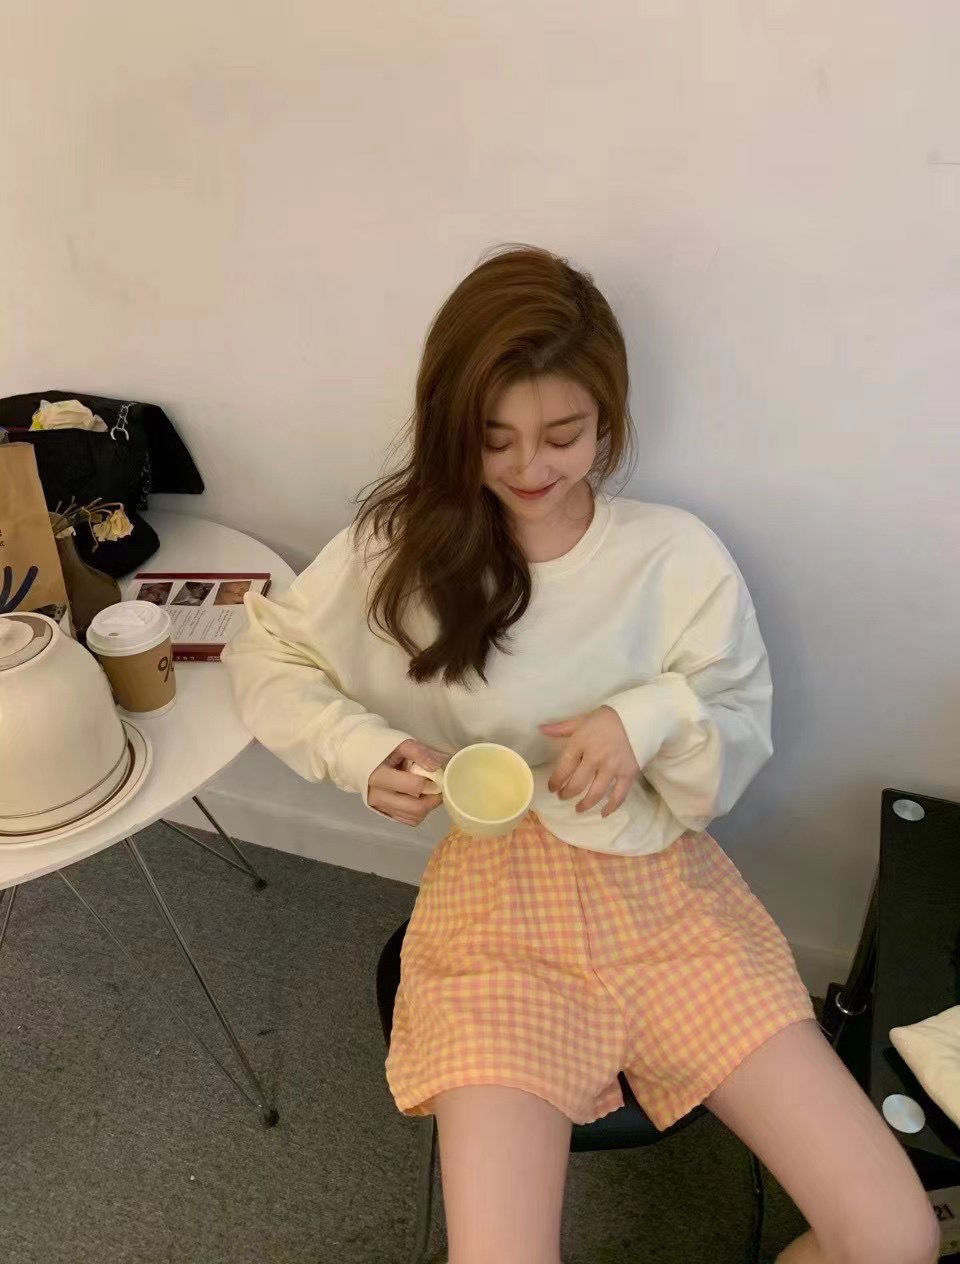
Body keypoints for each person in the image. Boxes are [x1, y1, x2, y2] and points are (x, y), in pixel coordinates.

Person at [223, 247, 938, 1264]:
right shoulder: (403, 547)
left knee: (896, 1236)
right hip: (495, 907)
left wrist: (645, 717)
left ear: (609, 420)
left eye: (562, 435)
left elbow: (734, 734)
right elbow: (267, 653)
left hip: (667, 897)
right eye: (494, 438)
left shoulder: (674, 555)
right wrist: (359, 750)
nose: (529, 467)